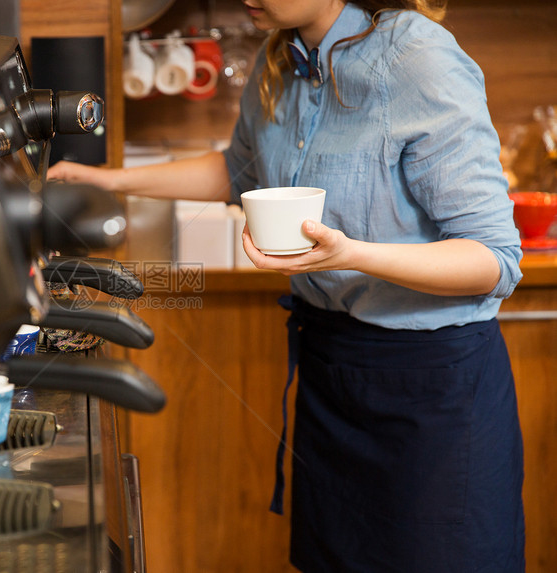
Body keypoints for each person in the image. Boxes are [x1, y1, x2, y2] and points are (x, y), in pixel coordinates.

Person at [48, 0, 525, 571]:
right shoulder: (280, 56)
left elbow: (494, 258)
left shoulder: (417, 56)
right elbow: (237, 172)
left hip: (432, 393)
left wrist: (351, 254)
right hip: (332, 374)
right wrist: (103, 179)